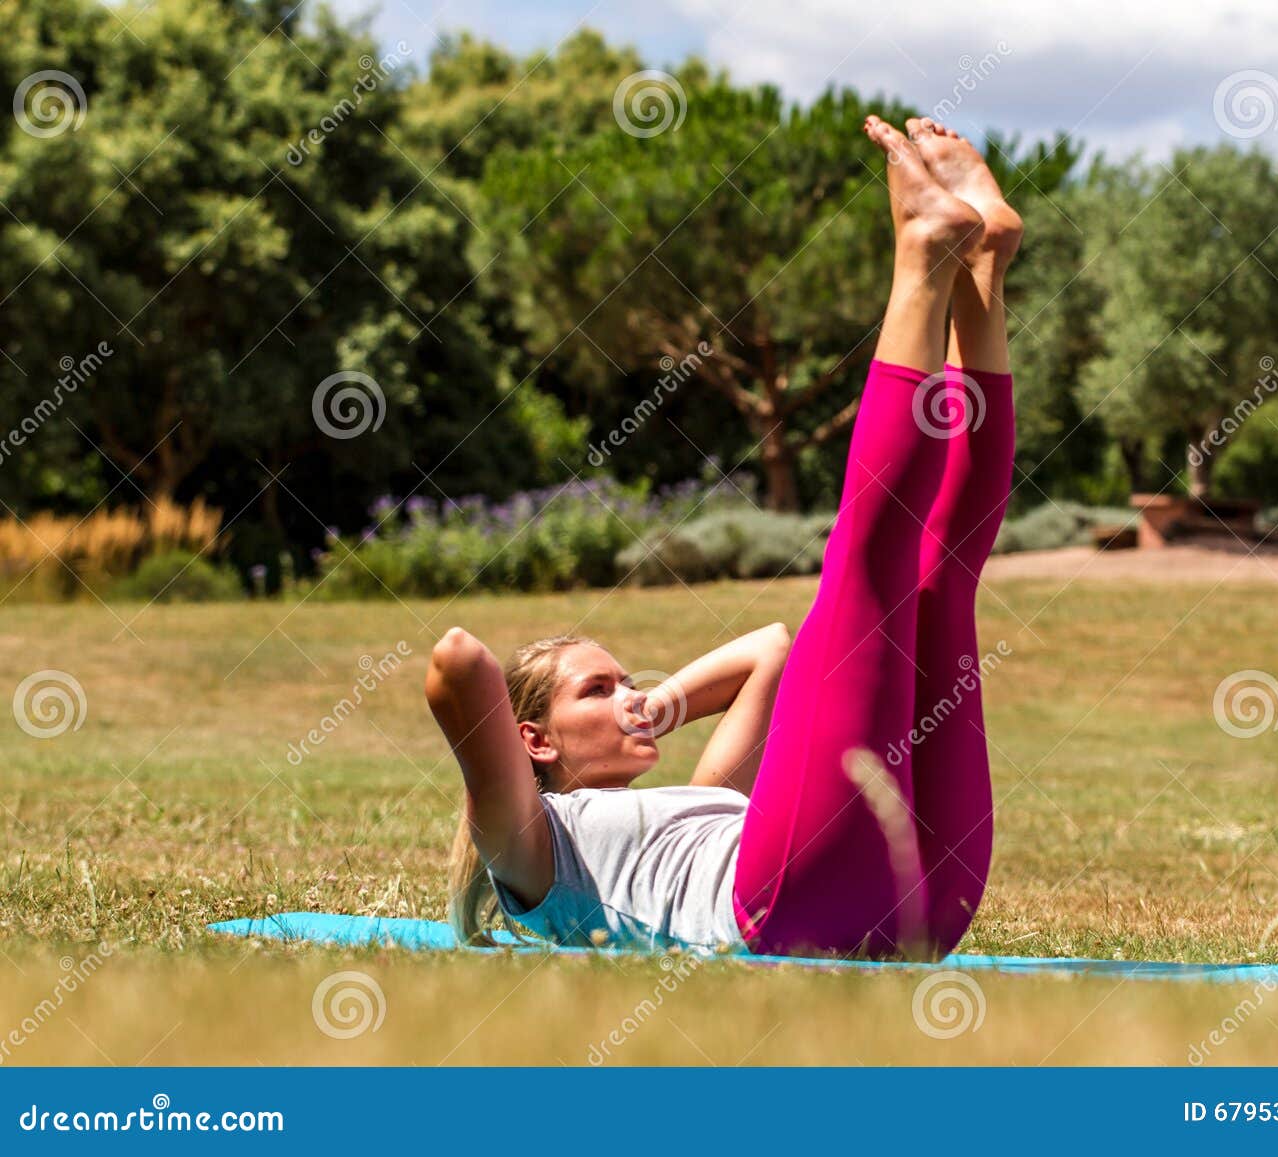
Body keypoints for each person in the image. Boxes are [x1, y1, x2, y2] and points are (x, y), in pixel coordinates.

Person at [426, 113, 1022, 960]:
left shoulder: (709, 795)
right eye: (596, 689)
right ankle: (925, 252)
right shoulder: (533, 844)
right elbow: (458, 660)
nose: (628, 692)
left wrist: (655, 704)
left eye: (622, 678)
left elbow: (770, 650)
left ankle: (982, 268)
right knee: (870, 566)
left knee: (943, 572)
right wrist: (508, 759)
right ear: (536, 739)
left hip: (881, 898)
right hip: (794, 903)